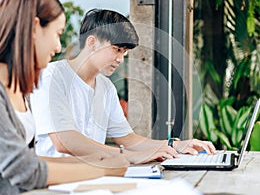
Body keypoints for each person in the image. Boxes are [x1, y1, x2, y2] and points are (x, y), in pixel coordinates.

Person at [0, 0, 129, 194]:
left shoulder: (18, 88)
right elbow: (23, 170)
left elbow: (30, 159)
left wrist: (94, 160)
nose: (58, 47)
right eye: (57, 34)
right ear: (34, 28)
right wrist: (101, 169)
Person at [30, 9, 217, 164]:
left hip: (93, 178)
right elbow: (65, 141)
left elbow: (128, 139)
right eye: (117, 49)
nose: (121, 58)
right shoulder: (52, 76)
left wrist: (175, 145)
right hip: (54, 182)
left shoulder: (106, 87)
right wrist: (127, 157)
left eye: (125, 52)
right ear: (92, 42)